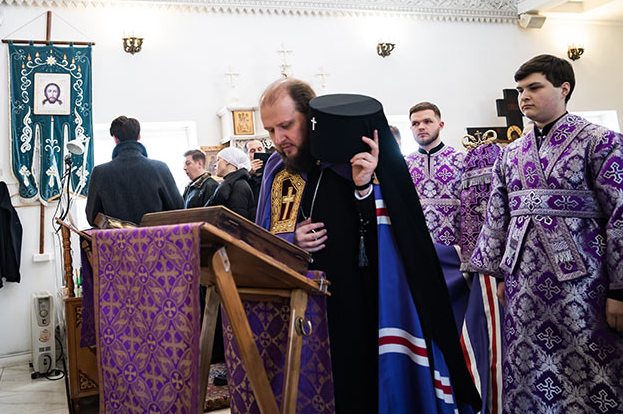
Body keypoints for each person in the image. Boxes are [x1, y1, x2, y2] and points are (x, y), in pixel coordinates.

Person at [256, 79, 479, 412]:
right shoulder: (277, 169)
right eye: (270, 130)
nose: (278, 139)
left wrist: (364, 188)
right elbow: (261, 237)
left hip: (355, 303)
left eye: (286, 126)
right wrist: (291, 240)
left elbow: (391, 237)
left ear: (310, 116)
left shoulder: (352, 161)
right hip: (296, 306)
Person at [468, 54, 623, 412]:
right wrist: (499, 273)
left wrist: (620, 288)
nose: (524, 96)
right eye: (521, 89)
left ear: (564, 88)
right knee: (528, 369)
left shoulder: (600, 142)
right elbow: (497, 216)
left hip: (586, 286)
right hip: (524, 287)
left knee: (592, 367)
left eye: (534, 87)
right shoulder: (511, 154)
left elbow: (620, 215)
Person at [85, 115, 183, 225]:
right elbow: (178, 209)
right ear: (139, 136)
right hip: (158, 240)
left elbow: (92, 217)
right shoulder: (160, 168)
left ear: (115, 138)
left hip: (117, 241)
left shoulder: (100, 172)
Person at [405, 102, 464, 246]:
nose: (421, 127)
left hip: (455, 247)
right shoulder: (404, 164)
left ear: (441, 125)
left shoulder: (462, 158)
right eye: (415, 123)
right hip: (417, 244)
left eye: (427, 121)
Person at [205, 146, 256, 221]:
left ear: (227, 161)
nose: (215, 164)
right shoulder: (231, 183)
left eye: (218, 160)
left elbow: (237, 222)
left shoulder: (239, 186)